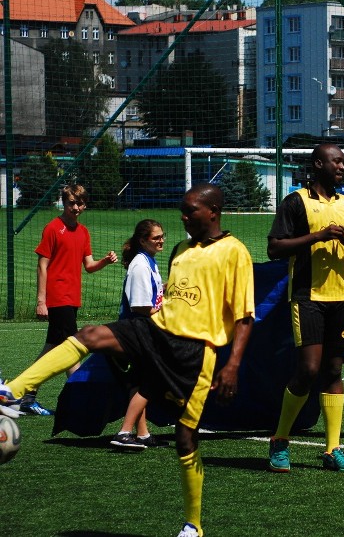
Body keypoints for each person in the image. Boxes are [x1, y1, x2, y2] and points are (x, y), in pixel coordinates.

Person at [1, 183, 255, 537]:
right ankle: (13, 391)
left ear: (213, 212)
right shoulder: (181, 249)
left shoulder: (235, 252)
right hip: (155, 331)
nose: (183, 216)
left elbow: (244, 316)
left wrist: (232, 366)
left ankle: (193, 525)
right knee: (91, 334)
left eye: (190, 210)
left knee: (184, 438)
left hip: (194, 354)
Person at [267, 144, 344, 474]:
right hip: (307, 296)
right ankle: (280, 439)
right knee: (309, 369)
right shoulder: (296, 201)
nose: (342, 165)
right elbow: (275, 248)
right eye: (335, 160)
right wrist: (319, 235)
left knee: (335, 371)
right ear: (318, 163)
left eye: (343, 161)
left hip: (342, 297)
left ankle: (332, 449)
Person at [22, 184, 118, 415]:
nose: (76, 207)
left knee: (54, 347)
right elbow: (42, 266)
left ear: (85, 204)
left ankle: (23, 394)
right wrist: (41, 300)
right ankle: (82, 397)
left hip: (72, 298)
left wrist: (105, 261)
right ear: (63, 203)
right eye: (71, 203)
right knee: (71, 347)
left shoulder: (83, 232)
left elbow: (89, 266)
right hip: (58, 297)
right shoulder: (53, 228)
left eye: (80, 203)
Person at [110, 219, 167, 451]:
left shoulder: (148, 261)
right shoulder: (141, 265)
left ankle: (141, 433)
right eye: (156, 237)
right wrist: (168, 309)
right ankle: (124, 431)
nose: (161, 240)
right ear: (143, 241)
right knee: (148, 383)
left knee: (139, 382)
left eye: (162, 236)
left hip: (140, 329)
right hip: (136, 330)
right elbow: (140, 306)